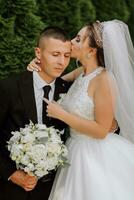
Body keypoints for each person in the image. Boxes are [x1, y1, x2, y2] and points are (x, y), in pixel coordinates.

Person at [29, 20, 134, 199]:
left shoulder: (104, 79)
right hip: (74, 149)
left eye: (78, 39)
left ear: (91, 51)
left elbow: (102, 130)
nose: (71, 42)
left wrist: (62, 114)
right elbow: (53, 81)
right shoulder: (80, 73)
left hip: (95, 155)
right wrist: (37, 65)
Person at [0, 26, 71, 200]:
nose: (62, 62)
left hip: (54, 190)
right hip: (11, 189)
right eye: (55, 54)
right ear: (38, 53)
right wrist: (12, 173)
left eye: (67, 55)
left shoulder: (69, 91)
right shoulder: (9, 87)